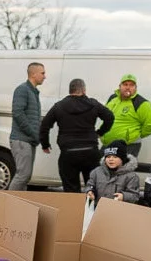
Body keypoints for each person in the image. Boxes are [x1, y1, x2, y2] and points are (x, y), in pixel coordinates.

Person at [40, 77, 114, 193]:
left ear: (70, 90)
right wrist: (100, 132)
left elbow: (44, 125)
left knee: (71, 191)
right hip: (90, 152)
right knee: (93, 188)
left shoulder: (59, 106)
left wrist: (45, 144)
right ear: (84, 90)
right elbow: (110, 117)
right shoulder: (93, 104)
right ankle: (92, 210)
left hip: (68, 153)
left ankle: (73, 210)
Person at [101, 74, 151, 158]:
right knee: (100, 168)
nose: (128, 87)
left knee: (122, 170)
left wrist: (135, 135)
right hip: (108, 144)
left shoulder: (141, 103)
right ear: (120, 86)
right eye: (125, 84)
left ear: (135, 88)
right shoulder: (112, 98)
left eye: (131, 85)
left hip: (128, 146)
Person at [9, 61, 45, 190]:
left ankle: (19, 206)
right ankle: (7, 203)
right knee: (22, 176)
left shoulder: (33, 92)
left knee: (26, 176)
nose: (44, 76)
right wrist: (33, 133)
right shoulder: (22, 90)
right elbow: (18, 114)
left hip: (29, 140)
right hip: (21, 139)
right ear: (34, 74)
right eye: (42, 73)